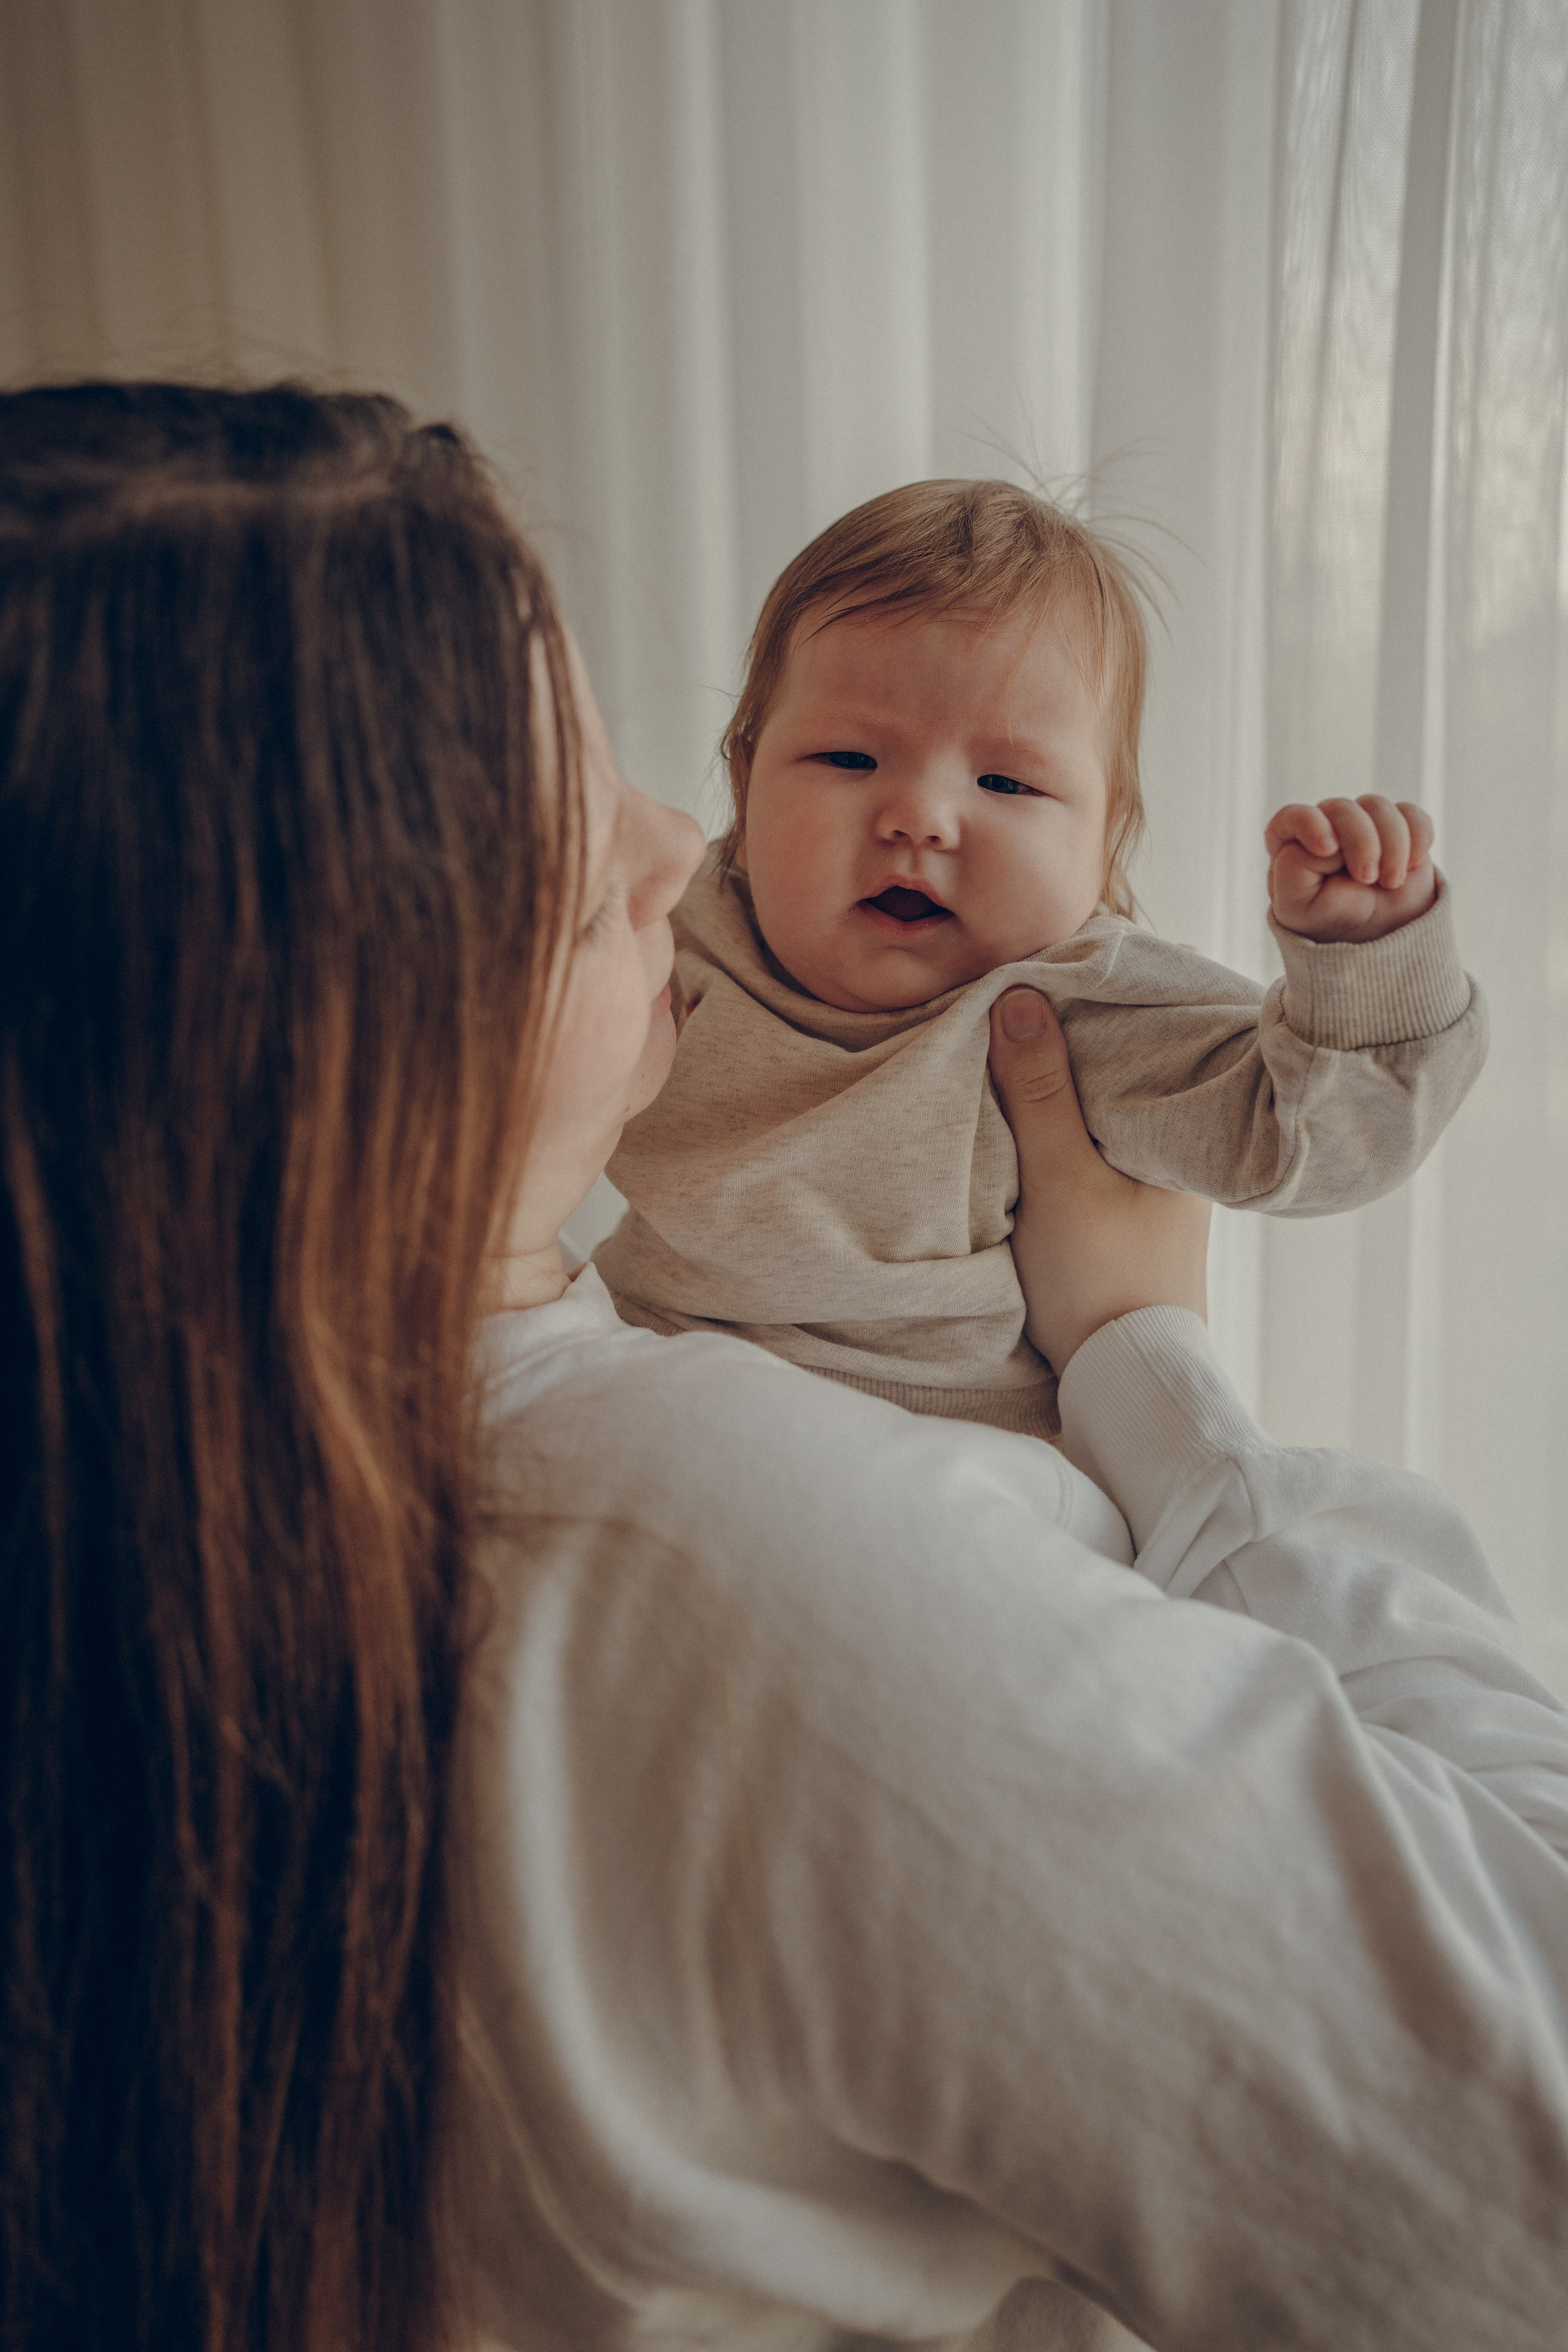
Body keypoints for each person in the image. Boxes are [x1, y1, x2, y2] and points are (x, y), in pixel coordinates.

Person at [3, 383, 1567, 2352]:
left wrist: (1362, 961)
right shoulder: (755, 1583)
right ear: (330, 1021)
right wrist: (1152, 1365)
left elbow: (1320, 1109)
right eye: (576, 845)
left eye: (1016, 784)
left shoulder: (123, 1504)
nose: (675, 841)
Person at [595, 481, 1485, 1435]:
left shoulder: (1082, 1008)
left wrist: (1363, 959)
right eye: (850, 760)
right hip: (645, 1387)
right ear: (744, 776)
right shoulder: (670, 934)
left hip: (957, 1469)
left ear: (1107, 844)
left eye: (1006, 781)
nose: (919, 819)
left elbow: (1316, 1145)